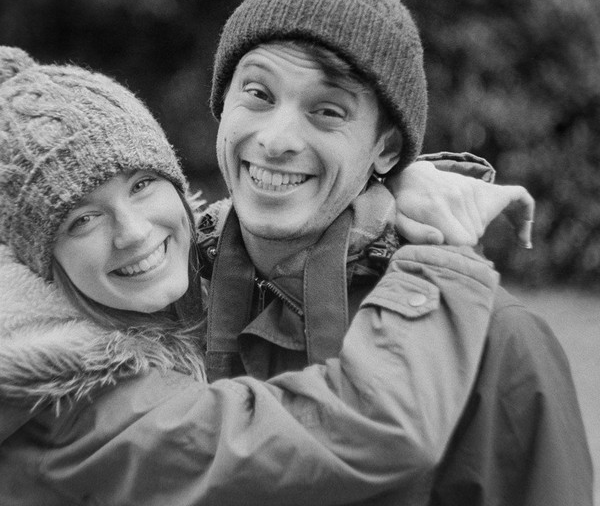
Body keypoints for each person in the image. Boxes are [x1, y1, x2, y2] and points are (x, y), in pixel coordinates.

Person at [0, 46, 505, 505]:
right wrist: (442, 249)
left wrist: (384, 186)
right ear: (38, 256)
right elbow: (370, 433)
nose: (134, 232)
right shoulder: (62, 401)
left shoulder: (177, 293)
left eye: (142, 184)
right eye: (82, 220)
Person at [201, 0, 593, 504]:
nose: (276, 139)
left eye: (328, 111)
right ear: (223, 104)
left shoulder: (495, 341)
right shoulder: (162, 298)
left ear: (386, 149)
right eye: (259, 94)